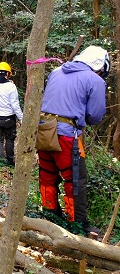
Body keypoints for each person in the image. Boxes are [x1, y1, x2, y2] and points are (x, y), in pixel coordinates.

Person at [39, 45, 110, 235]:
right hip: (67, 135)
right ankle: (77, 223)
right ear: (100, 66)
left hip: (44, 129)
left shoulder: (56, 71)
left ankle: (50, 213)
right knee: (76, 179)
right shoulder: (94, 79)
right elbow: (94, 115)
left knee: (47, 173)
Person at [0, 62, 23, 166]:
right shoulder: (11, 87)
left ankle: (0, 162)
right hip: (8, 119)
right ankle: (10, 162)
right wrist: (22, 119)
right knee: (10, 140)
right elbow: (15, 105)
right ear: (7, 74)